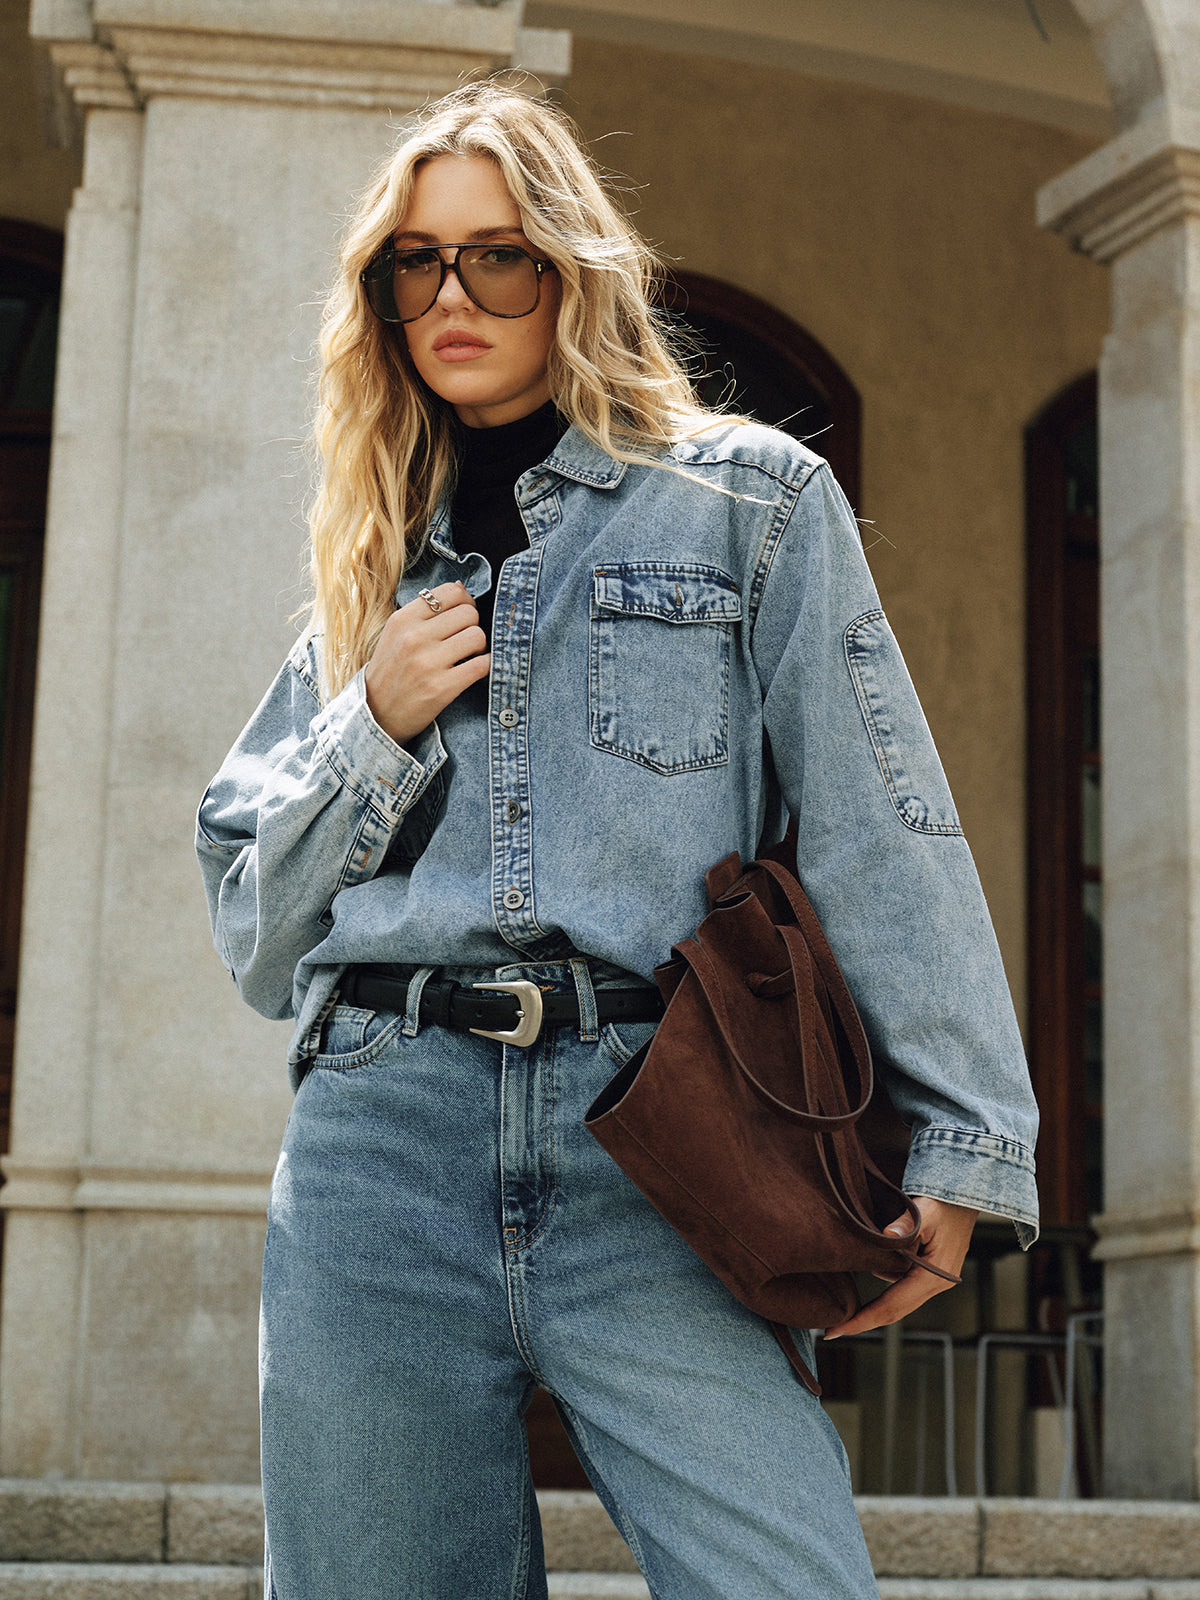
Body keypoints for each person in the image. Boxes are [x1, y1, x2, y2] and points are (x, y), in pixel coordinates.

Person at [196, 79, 1038, 1600]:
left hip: (656, 1132)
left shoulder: (745, 501)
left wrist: (966, 1134)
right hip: (382, 1146)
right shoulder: (367, 552)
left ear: (569, 269)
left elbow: (880, 813)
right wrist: (369, 723)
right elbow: (258, 937)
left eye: (497, 254)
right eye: (416, 260)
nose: (452, 293)